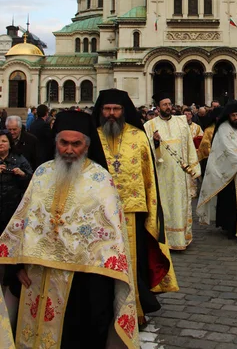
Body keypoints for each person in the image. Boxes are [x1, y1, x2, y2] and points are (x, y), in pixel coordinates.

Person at [0, 110, 139, 348]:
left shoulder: (100, 180)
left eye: (76, 144)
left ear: (86, 145)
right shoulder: (42, 173)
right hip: (35, 278)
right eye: (64, 143)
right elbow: (23, 221)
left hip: (79, 284)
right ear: (56, 142)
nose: (69, 150)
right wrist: (16, 267)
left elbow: (110, 239)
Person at [92, 89, 178, 324]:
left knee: (132, 262)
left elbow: (149, 175)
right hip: (98, 214)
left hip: (133, 212)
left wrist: (152, 211)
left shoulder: (138, 137)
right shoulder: (92, 137)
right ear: (100, 111)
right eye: (107, 109)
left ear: (124, 111)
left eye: (116, 109)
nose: (111, 114)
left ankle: (135, 310)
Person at [197, 101, 237, 243]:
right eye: (233, 115)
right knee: (232, 203)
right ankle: (234, 228)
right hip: (232, 172)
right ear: (228, 116)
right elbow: (227, 150)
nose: (236, 118)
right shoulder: (223, 129)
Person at [144, 91, 201, 251]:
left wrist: (194, 167)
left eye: (170, 104)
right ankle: (164, 239)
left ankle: (181, 238)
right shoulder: (149, 126)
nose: (168, 107)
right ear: (158, 107)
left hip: (180, 174)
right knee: (164, 206)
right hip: (161, 174)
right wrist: (153, 142)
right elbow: (145, 151)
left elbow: (189, 144)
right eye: (165, 105)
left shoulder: (181, 122)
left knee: (180, 205)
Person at [0, 129, 32, 234]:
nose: (1, 144)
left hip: (14, 207)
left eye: (4, 141)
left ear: (10, 144)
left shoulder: (19, 159)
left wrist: (22, 174)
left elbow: (31, 180)